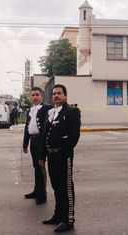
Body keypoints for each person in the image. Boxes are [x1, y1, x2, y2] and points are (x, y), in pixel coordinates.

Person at [39, 84, 81, 233]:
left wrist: (64, 153)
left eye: (59, 93)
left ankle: (68, 219)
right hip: (51, 156)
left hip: (63, 156)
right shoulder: (50, 112)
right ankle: (58, 215)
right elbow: (45, 134)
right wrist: (42, 155)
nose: (56, 96)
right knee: (56, 187)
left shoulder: (71, 111)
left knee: (66, 188)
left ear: (65, 96)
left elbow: (74, 136)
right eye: (54, 94)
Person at [22, 87, 52, 205]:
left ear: (42, 96)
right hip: (33, 141)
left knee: (40, 167)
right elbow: (27, 128)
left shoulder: (46, 108)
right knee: (35, 167)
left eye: (37, 95)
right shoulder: (31, 109)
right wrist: (25, 144)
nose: (34, 97)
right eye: (33, 95)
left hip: (42, 141)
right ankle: (36, 191)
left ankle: (42, 195)